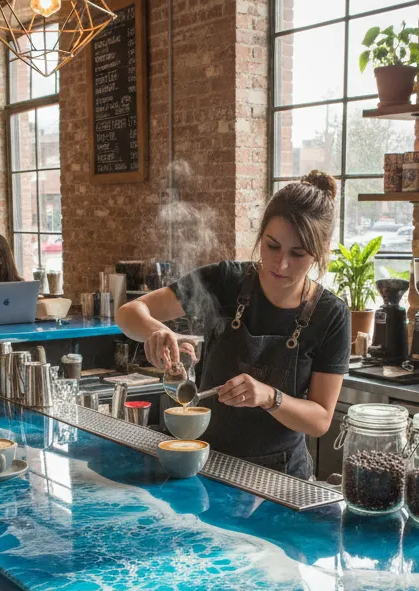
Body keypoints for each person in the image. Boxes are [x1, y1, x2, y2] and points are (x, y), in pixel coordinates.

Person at [116, 171, 349, 478]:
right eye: (272, 246)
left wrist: (269, 397)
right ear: (260, 235)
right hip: (206, 465)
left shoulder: (330, 315)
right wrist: (159, 331)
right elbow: (129, 313)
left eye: (298, 254)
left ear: (319, 252)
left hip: (279, 480)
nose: (281, 264)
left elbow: (319, 421)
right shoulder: (227, 281)